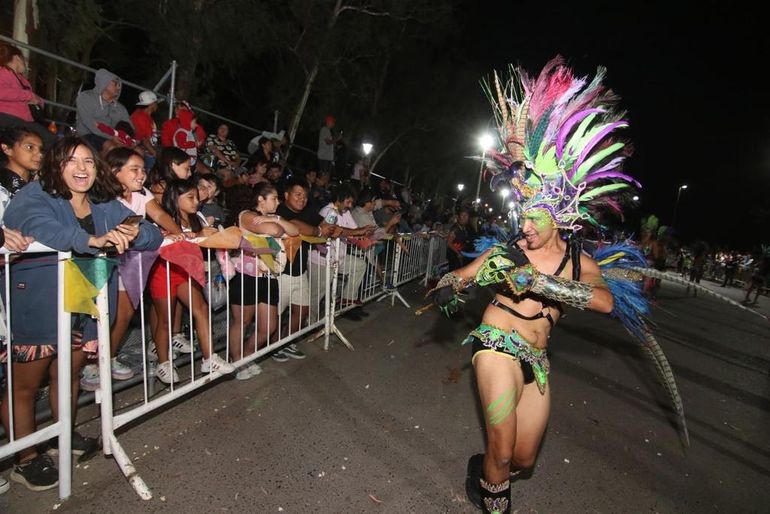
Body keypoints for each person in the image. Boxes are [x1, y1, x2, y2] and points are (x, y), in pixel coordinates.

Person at [428, 59, 651, 512]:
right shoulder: (505, 251)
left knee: (523, 460)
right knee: (504, 449)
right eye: (522, 215)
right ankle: (493, 493)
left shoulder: (579, 261)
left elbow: (606, 303)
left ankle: (485, 468)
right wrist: (450, 289)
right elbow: (453, 279)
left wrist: (542, 282)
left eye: (534, 218)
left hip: (539, 358)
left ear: (559, 220)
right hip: (496, 345)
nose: (524, 225)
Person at [1, 136, 162, 491]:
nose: (82, 168)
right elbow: (36, 227)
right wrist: (92, 240)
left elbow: (151, 233)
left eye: (89, 161)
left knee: (70, 372)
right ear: (55, 165)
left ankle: (64, 435)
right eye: (72, 160)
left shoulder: (103, 202)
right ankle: (25, 459)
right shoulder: (36, 196)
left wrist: (133, 230)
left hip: (85, 296)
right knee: (26, 382)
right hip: (39, 297)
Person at [78, 147, 183, 391]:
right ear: (115, 172)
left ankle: (107, 358)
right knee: (113, 314)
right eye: (134, 169)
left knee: (123, 314)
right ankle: (94, 363)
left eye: (143, 169)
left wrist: (180, 234)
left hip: (134, 260)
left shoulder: (142, 194)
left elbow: (159, 215)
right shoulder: (104, 198)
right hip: (109, 262)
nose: (141, 175)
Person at [148, 179, 234, 384]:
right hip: (163, 271)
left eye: (196, 197)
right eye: (191, 197)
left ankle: (209, 358)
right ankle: (163, 363)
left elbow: (204, 238)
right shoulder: (162, 217)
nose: (196, 201)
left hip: (185, 272)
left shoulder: (196, 219)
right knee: (165, 320)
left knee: (201, 309)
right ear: (175, 198)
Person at [225, 182, 298, 379]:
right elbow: (274, 231)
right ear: (260, 199)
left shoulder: (269, 217)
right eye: (273, 198)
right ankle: (237, 361)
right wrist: (275, 222)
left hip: (269, 275)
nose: (277, 201)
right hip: (247, 275)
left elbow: (292, 231)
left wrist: (276, 218)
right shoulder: (246, 215)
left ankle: (246, 356)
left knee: (269, 327)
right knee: (243, 322)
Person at [275, 179, 339, 350]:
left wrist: (357, 232)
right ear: (287, 195)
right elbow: (295, 226)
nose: (302, 199)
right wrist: (319, 231)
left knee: (302, 311)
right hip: (281, 272)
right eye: (298, 195)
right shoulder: (279, 211)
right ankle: (274, 349)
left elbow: (326, 226)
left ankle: (286, 344)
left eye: (305, 196)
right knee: (276, 315)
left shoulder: (308, 211)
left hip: (301, 271)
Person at [0, 42, 55, 147]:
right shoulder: (2, 71)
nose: (25, 63)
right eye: (23, 59)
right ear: (17, 58)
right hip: (7, 118)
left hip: (24, 121)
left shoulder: (22, 79)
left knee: (41, 140)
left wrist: (38, 100)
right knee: (50, 140)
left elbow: (30, 97)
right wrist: (28, 96)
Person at [75, 69, 132, 151]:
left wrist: (132, 140)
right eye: (115, 84)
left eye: (119, 85)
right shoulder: (86, 97)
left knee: (137, 151)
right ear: (104, 83)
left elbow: (130, 126)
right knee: (111, 147)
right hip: (87, 134)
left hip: (112, 136)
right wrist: (111, 137)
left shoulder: (120, 108)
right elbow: (90, 124)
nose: (119, 87)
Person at [0, 127, 43, 215]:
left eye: (40, 150)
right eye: (30, 147)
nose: (39, 154)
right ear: (7, 149)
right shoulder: (3, 187)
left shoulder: (39, 184)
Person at [130, 91, 161, 170]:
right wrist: (156, 155)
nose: (157, 105)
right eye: (156, 103)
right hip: (142, 148)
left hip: (147, 147)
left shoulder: (146, 116)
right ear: (152, 104)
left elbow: (150, 135)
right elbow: (144, 140)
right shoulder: (140, 116)